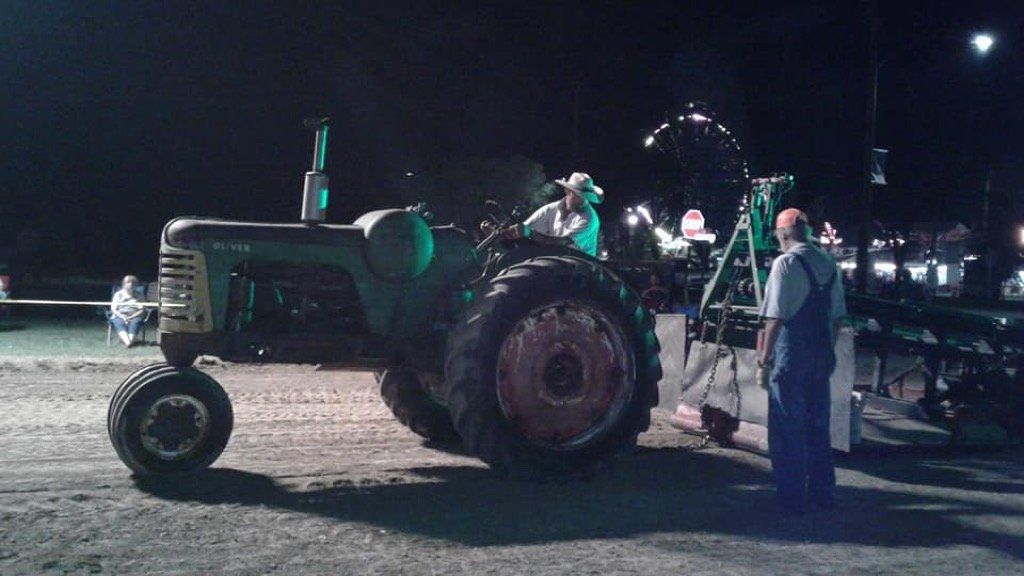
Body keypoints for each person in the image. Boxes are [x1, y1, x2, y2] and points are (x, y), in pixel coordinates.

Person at [758, 208, 847, 514]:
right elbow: (837, 317)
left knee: (787, 427)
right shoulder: (827, 262)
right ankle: (823, 493)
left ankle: (791, 497)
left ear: (784, 234)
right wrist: (828, 350)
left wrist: (764, 360)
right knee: (817, 426)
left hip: (791, 355)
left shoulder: (786, 264)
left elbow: (775, 318)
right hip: (821, 354)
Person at [499, 172, 603, 257]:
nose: (583, 200)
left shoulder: (590, 219)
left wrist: (529, 233)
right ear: (567, 191)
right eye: (578, 195)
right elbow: (525, 228)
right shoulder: (550, 209)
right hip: (554, 259)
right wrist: (502, 234)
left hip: (581, 267)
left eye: (586, 197)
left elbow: (563, 243)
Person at [110, 275, 145, 347]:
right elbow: (113, 309)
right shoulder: (118, 295)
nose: (131, 284)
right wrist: (123, 317)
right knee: (118, 322)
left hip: (135, 315)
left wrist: (131, 317)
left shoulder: (140, 295)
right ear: (124, 284)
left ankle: (129, 342)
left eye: (133, 282)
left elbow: (141, 310)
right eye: (128, 282)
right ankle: (128, 342)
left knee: (136, 322)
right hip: (119, 315)